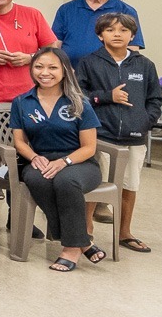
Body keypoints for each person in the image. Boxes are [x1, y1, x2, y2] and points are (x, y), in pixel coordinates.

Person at [11, 47, 105, 272]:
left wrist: (65, 162)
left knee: (66, 181)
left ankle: (71, 248)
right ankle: (83, 241)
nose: (45, 72)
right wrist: (34, 157)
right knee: (37, 180)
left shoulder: (79, 101)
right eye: (39, 66)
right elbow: (20, 141)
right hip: (40, 159)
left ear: (65, 71)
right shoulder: (22, 101)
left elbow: (89, 147)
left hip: (79, 162)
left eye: (52, 67)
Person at [75, 13, 162, 254]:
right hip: (101, 135)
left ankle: (125, 232)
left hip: (134, 138)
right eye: (111, 30)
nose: (117, 34)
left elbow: (156, 99)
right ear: (100, 35)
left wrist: (145, 121)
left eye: (123, 30)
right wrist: (106, 96)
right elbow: (79, 96)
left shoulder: (145, 65)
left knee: (129, 185)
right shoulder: (89, 62)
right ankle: (86, 229)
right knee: (95, 183)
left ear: (132, 36)